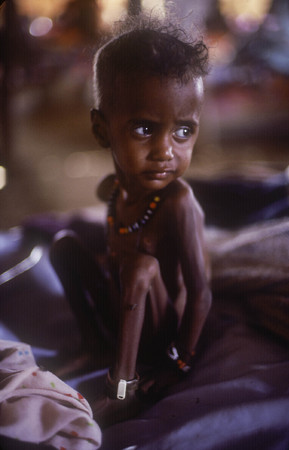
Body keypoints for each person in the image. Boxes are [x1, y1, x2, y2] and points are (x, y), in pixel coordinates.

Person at [50, 12, 212, 427]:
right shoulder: (115, 189)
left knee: (141, 267)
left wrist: (179, 362)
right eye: (144, 129)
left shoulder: (178, 204)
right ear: (102, 131)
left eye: (183, 132)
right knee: (63, 244)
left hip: (157, 335)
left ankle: (123, 385)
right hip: (118, 309)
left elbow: (200, 292)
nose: (165, 151)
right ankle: (91, 342)